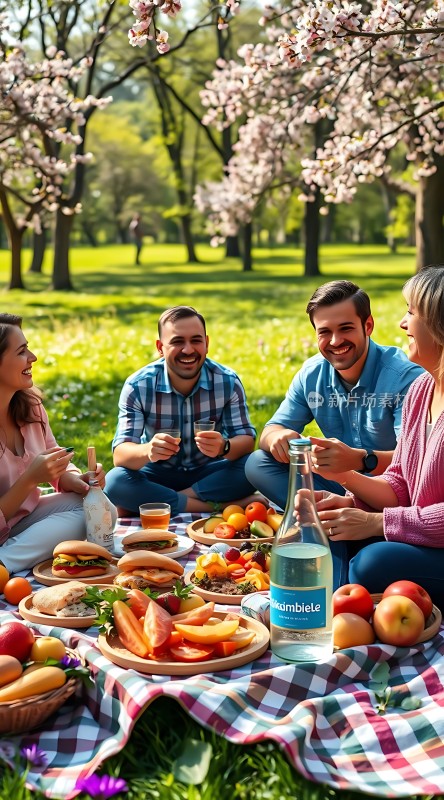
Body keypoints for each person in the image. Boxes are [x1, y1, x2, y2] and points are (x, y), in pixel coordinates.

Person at [311, 264, 444, 609]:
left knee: (373, 562)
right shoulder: (421, 390)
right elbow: (400, 484)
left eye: (411, 312)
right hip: (420, 534)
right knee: (334, 528)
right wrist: (344, 485)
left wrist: (375, 522)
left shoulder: (404, 379)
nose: (402, 323)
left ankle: (337, 605)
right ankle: (332, 607)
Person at [245, 280, 423, 510]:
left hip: (393, 492)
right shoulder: (312, 374)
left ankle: (330, 531)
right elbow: (270, 431)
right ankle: (328, 523)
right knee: (258, 462)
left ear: (368, 326)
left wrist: (360, 459)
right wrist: (278, 438)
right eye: (325, 332)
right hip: (339, 484)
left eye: (346, 328)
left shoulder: (405, 377)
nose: (335, 341)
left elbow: (415, 461)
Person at [105, 305, 258, 517]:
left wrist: (224, 446)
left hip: (209, 473)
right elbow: (120, 454)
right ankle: (215, 506)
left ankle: (158, 500)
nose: (188, 350)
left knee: (255, 465)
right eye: (177, 341)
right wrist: (148, 449)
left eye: (196, 340)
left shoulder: (227, 381)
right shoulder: (138, 385)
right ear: (160, 347)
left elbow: (247, 441)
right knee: (115, 482)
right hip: (158, 471)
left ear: (207, 343)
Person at [0, 313, 114, 575]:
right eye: (21, 351)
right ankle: (5, 563)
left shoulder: (31, 407)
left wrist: (79, 480)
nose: (33, 357)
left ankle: (9, 557)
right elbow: (34, 474)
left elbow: (56, 460)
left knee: (101, 509)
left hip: (22, 520)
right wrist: (30, 479)